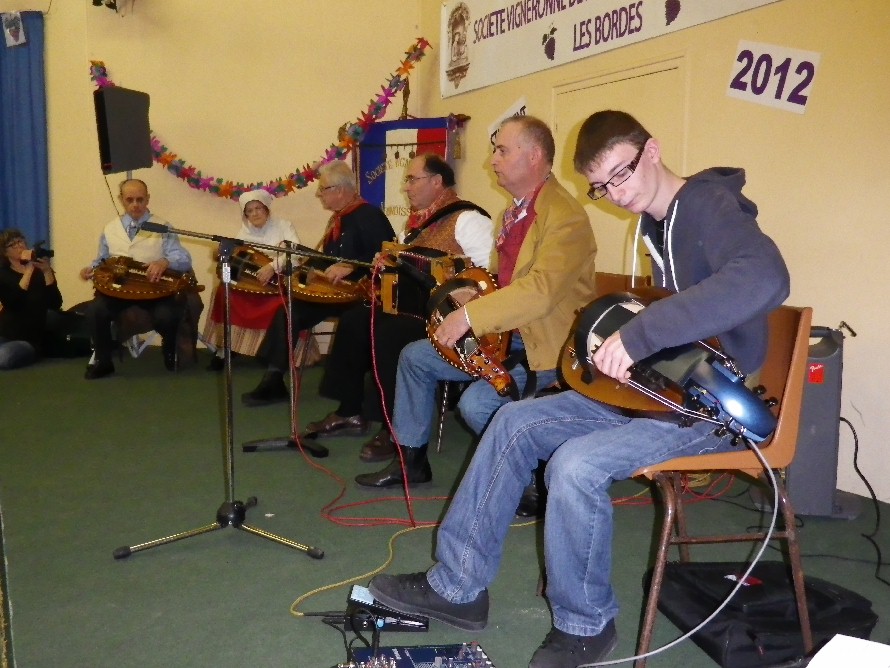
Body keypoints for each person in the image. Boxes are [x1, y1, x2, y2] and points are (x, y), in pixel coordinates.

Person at [365, 110, 791, 667]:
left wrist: (640, 336)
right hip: (659, 392)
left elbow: (767, 278)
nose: (615, 192)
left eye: (622, 174)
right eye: (603, 185)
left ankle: (585, 624)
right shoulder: (657, 222)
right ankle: (457, 587)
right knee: (514, 421)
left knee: (576, 464)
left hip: (708, 410)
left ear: (653, 150)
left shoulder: (710, 206)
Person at [355, 115, 598, 489]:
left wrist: (471, 314)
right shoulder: (512, 212)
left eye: (502, 150)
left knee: (476, 405)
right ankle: (412, 462)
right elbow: (504, 282)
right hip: (505, 336)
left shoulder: (565, 217)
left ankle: (533, 477)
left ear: (533, 156)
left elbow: (540, 291)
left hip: (550, 345)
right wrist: (472, 293)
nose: (493, 160)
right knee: (415, 358)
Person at [305, 153, 493, 458]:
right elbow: (402, 267)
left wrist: (460, 296)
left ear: (437, 182)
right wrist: (386, 263)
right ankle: (351, 410)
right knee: (356, 320)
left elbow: (489, 274)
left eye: (412, 179)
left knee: (390, 332)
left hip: (449, 317)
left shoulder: (468, 219)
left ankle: (393, 428)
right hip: (411, 308)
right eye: (406, 180)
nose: (406, 188)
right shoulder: (416, 225)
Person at [241, 160, 395, 406]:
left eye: (323, 189)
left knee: (353, 322)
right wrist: (308, 268)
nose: (319, 194)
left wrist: (352, 266)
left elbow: (387, 256)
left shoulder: (369, 215)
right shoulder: (338, 219)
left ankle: (352, 393)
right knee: (289, 309)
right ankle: (273, 379)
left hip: (361, 296)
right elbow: (328, 259)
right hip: (332, 293)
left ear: (340, 190)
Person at [79, 179, 193, 380]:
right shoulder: (110, 228)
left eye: (140, 200)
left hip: (154, 288)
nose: (135, 205)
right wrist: (91, 269)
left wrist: (164, 261)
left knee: (167, 314)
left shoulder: (162, 226)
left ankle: (169, 351)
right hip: (118, 288)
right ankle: (104, 361)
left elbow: (183, 259)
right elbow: (102, 260)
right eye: (129, 200)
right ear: (121, 200)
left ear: (148, 199)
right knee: (96, 310)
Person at [202, 189, 300, 370]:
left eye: (258, 208)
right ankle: (228, 347)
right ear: (245, 214)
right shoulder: (243, 233)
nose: (255, 214)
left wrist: (272, 267)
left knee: (284, 301)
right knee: (223, 292)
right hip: (250, 282)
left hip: (277, 281)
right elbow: (237, 259)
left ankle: (275, 353)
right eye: (250, 211)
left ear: (266, 209)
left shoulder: (284, 226)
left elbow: (294, 255)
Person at [0, 229, 63, 370]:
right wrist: (28, 271)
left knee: (3, 357)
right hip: (6, 334)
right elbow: (13, 303)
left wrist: (47, 272)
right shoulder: (3, 275)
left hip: (28, 341)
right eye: (13, 245)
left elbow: (55, 303)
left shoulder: (40, 271)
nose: (19, 246)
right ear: (5, 253)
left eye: (20, 241)